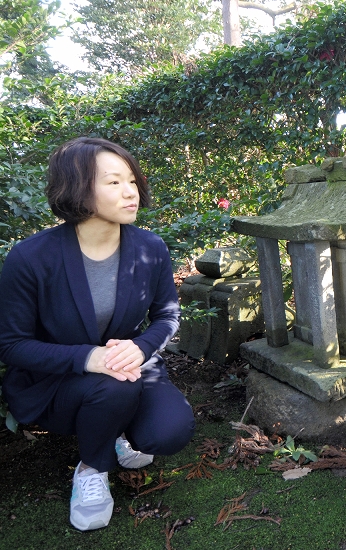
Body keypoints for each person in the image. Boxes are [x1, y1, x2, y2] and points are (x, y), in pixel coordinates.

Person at [0, 137, 195, 531]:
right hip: (57, 380)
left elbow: (167, 315)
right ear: (77, 189)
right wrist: (89, 358)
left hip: (132, 366)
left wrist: (140, 348)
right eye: (113, 182)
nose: (130, 192)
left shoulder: (150, 248)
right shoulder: (31, 258)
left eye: (132, 181)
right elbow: (10, 344)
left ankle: (116, 428)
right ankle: (92, 467)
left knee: (168, 432)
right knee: (115, 387)